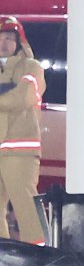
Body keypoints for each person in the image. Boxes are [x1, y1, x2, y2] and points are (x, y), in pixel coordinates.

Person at [0, 16, 47, 245]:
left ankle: (42, 258)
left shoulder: (31, 67)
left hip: (20, 152)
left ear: (19, 41)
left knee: (27, 206)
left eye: (9, 38)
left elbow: (23, 97)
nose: (3, 43)